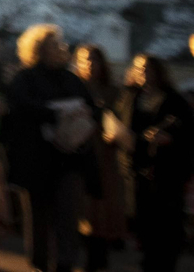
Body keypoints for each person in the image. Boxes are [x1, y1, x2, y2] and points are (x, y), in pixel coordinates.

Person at [6, 24, 97, 272]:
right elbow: (21, 109)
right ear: (38, 50)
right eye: (53, 46)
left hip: (70, 159)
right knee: (38, 217)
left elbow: (92, 109)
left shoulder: (72, 79)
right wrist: (56, 112)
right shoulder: (25, 79)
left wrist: (83, 114)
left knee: (68, 215)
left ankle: (65, 262)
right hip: (37, 159)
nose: (60, 50)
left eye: (61, 45)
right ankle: (39, 262)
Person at [115, 54, 193, 272]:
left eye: (148, 69)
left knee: (167, 231)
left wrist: (170, 139)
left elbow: (188, 135)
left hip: (167, 176)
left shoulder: (175, 101)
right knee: (144, 228)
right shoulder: (130, 97)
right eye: (139, 69)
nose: (143, 73)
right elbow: (121, 125)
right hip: (137, 172)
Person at [72, 44, 127, 271]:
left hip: (105, 157)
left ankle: (98, 256)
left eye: (94, 60)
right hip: (80, 154)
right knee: (81, 206)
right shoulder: (74, 88)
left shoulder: (113, 91)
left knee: (102, 208)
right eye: (85, 60)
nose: (90, 65)